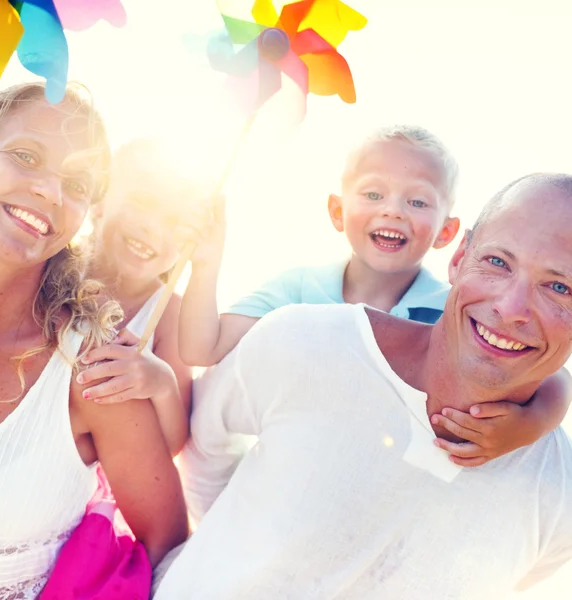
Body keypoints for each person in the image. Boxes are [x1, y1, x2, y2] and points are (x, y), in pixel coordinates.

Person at [154, 173, 572, 599]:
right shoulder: (304, 341)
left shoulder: (560, 496)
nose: (510, 307)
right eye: (498, 262)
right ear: (460, 257)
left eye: (559, 287)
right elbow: (205, 446)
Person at [177, 125, 570, 465]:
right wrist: (206, 264)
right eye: (372, 194)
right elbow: (201, 348)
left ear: (446, 234)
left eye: (416, 201)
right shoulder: (297, 294)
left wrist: (530, 425)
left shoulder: (452, 313)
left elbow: (554, 376)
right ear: (337, 210)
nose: (393, 211)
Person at [0, 83, 187, 599]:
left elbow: (168, 545)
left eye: (77, 183)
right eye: (26, 156)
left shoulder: (89, 365)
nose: (50, 191)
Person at [73, 138, 193, 455]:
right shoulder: (53, 268)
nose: (153, 228)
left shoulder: (169, 313)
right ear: (100, 199)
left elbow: (170, 445)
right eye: (141, 202)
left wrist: (162, 384)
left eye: (174, 222)